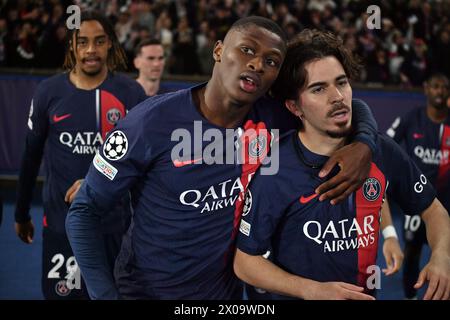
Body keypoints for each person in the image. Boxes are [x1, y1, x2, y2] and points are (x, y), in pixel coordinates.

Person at [66, 16, 379, 300]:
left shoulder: (274, 118)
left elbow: (351, 106)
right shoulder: (149, 123)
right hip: (146, 293)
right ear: (218, 51)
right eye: (246, 50)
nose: (257, 64)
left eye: (271, 61)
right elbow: (83, 213)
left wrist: (365, 144)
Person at [234, 29, 450, 300]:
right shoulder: (275, 169)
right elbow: (244, 262)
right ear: (294, 107)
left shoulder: (381, 151)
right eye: (319, 88)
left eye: (342, 83)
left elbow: (434, 211)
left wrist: (442, 255)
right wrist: (312, 290)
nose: (337, 96)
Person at [14, 11, 147, 299]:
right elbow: (31, 155)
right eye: (82, 42)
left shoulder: (130, 94)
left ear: (110, 44)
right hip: (62, 228)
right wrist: (21, 212)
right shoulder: (48, 92)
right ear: (72, 45)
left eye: (99, 41)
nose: (90, 50)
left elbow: (145, 163)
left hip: (115, 228)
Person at [386, 73, 450, 299]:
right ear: (426, 89)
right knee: (412, 251)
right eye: (435, 86)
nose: (440, 91)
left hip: (447, 202)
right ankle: (410, 296)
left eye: (444, 87)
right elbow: (386, 143)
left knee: (444, 254)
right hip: (416, 202)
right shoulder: (412, 118)